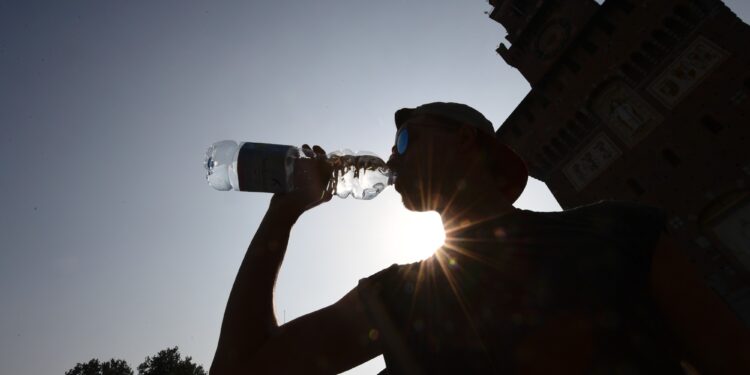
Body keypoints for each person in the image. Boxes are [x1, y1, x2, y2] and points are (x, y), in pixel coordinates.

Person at [209, 102, 750, 374]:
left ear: (464, 139)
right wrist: (284, 213)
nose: (391, 154)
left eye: (405, 135)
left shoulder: (620, 230)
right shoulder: (395, 296)